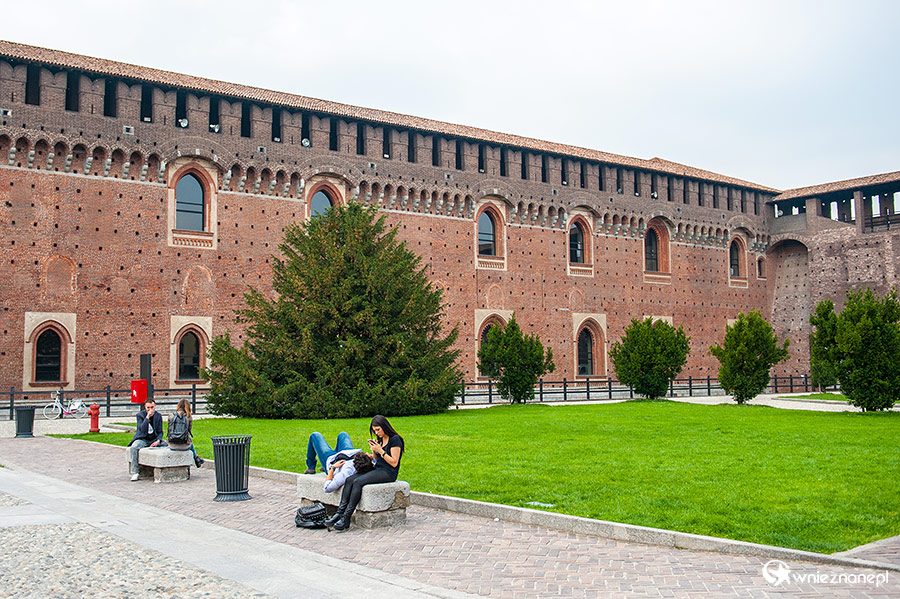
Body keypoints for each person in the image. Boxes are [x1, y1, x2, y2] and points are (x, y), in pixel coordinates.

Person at [326, 415, 404, 531]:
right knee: (350, 479)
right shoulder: (380, 440)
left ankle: (346, 518)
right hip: (378, 468)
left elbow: (394, 462)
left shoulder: (395, 440)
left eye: (378, 430)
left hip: (388, 472)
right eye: (374, 430)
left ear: (385, 427)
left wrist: (381, 451)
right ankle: (339, 513)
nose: (377, 433)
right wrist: (373, 454)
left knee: (358, 482)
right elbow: (379, 460)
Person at [127, 398, 164, 481]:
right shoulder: (140, 415)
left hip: (153, 439)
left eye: (152, 407)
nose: (150, 409)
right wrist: (147, 417)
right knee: (134, 447)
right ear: (145, 407)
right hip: (142, 438)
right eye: (148, 408)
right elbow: (142, 429)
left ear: (155, 407)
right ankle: (135, 472)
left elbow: (160, 432)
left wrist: (158, 440)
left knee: (167, 444)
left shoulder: (158, 416)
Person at [167, 399, 204, 469]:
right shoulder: (188, 417)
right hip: (185, 446)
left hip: (172, 445)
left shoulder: (171, 415)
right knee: (190, 443)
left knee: (189, 442)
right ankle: (192, 463)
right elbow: (189, 430)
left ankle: (196, 458)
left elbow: (169, 429)